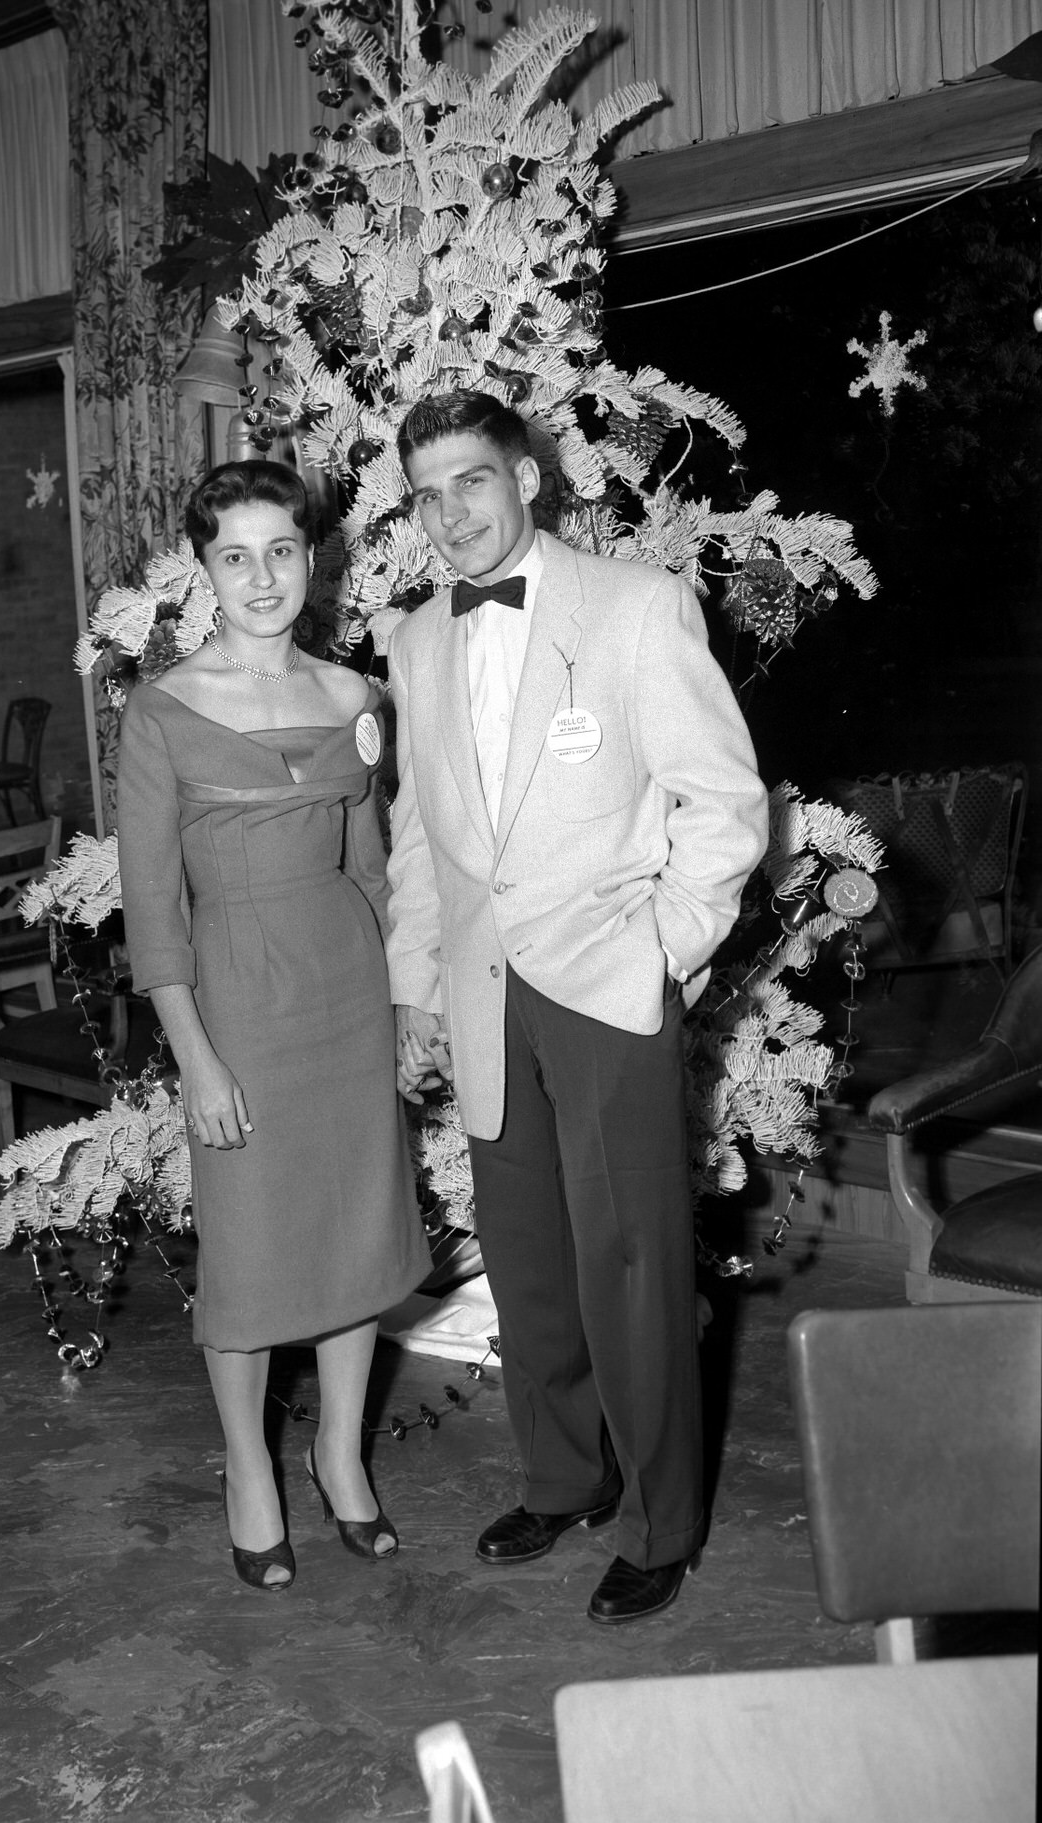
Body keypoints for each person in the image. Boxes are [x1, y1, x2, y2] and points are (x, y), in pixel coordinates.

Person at [385, 391, 768, 1624]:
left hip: (607, 987)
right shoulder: (410, 642)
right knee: (528, 1259)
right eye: (428, 493)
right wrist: (416, 982)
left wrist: (663, 949)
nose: (450, 514)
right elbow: (416, 833)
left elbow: (723, 803)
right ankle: (562, 1472)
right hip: (485, 990)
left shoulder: (634, 606)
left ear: (526, 478)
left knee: (632, 1260)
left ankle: (661, 1518)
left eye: (471, 483)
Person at [116, 460, 430, 1592]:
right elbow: (152, 909)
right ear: (202, 570)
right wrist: (193, 1055)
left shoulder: (354, 698)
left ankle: (339, 1454)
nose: (261, 577)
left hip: (346, 995)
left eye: (281, 551)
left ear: (312, 557)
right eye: (233, 556)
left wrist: (408, 1005)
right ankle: (247, 1465)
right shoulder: (160, 711)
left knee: (354, 1237)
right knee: (250, 1255)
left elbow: (374, 870)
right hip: (236, 1004)